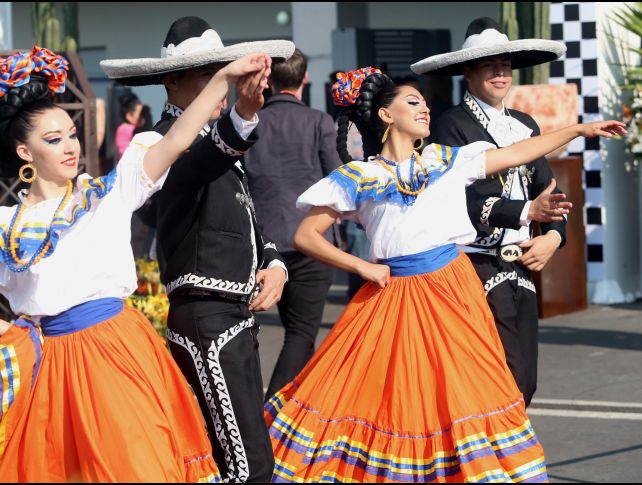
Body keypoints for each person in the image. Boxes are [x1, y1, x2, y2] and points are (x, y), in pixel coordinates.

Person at [0, 45, 272, 482]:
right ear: (25, 153)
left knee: (139, 466)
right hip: (52, 367)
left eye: (71, 135)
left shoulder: (107, 194)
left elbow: (178, 138)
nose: (70, 147)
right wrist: (10, 332)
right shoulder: (3, 228)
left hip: (121, 353)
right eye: (53, 139)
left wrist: (225, 79)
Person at [264, 66, 625, 482]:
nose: (425, 109)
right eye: (413, 102)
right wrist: (361, 266)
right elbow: (307, 236)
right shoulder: (359, 176)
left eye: (424, 102)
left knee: (465, 393)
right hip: (392, 298)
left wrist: (578, 130)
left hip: (453, 292)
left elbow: (521, 151)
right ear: (385, 115)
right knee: (397, 400)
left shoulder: (446, 159)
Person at [101, 16, 294, 482]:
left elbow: (246, 214)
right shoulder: (158, 144)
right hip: (207, 316)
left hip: (230, 314)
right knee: (245, 465)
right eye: (209, 76)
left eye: (223, 72)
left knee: (236, 458)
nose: (221, 84)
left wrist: (274, 262)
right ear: (172, 81)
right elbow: (197, 166)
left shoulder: (210, 139)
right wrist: (243, 116)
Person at [413, 17, 572, 406]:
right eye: (489, 65)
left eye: (505, 64)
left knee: (525, 383)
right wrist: (527, 211)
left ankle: (500, 460)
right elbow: (464, 202)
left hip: (522, 264)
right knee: (502, 378)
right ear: (468, 72)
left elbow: (549, 192)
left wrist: (552, 236)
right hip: (475, 265)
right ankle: (497, 463)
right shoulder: (451, 126)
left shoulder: (524, 124)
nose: (500, 72)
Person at [242, 48, 340, 400]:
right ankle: (273, 414)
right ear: (305, 78)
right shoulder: (318, 121)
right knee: (300, 334)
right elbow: (337, 178)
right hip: (311, 239)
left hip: (262, 240)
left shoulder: (251, 123)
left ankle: (292, 412)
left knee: (278, 334)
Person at [114, 92, 144, 158]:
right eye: (141, 114)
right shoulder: (124, 129)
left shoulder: (139, 128)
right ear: (129, 116)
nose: (144, 117)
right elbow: (123, 151)